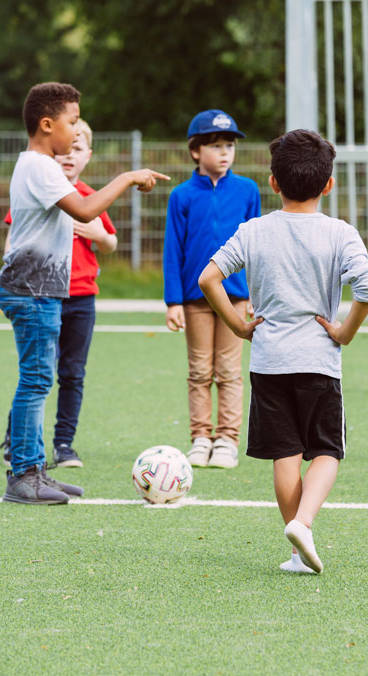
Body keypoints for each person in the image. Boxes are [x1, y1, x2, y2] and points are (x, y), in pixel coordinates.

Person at [199, 129, 368, 574]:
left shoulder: (255, 230)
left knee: (285, 456)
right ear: (328, 184)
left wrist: (240, 326)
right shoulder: (340, 233)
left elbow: (208, 279)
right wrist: (345, 332)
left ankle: (299, 552)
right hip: (319, 360)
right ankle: (304, 522)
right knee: (326, 452)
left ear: (273, 183)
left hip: (269, 362)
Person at [0, 82, 167, 504]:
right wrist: (128, 177)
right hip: (32, 290)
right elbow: (87, 211)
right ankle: (23, 475)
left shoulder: (42, 165)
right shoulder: (39, 167)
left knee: (40, 378)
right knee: (36, 380)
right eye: (72, 122)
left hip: (40, 290)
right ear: (47, 124)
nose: (76, 132)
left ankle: (35, 468)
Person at [0, 118, 117, 469]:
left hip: (80, 297)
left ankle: (62, 444)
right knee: (38, 373)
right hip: (40, 293)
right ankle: (19, 442)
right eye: (70, 141)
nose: (70, 154)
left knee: (70, 373)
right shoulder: (39, 182)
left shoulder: (91, 198)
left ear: (87, 156)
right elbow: (15, 238)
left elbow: (110, 241)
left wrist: (98, 233)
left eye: (79, 148)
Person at [163, 110, 262, 469]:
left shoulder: (248, 190)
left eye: (229, 145)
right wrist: (173, 300)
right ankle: (201, 437)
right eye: (216, 145)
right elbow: (173, 249)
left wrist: (255, 293)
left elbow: (256, 247)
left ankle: (227, 440)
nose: (225, 152)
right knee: (200, 371)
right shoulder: (182, 195)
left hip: (235, 297)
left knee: (230, 371)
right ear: (196, 151)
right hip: (194, 299)